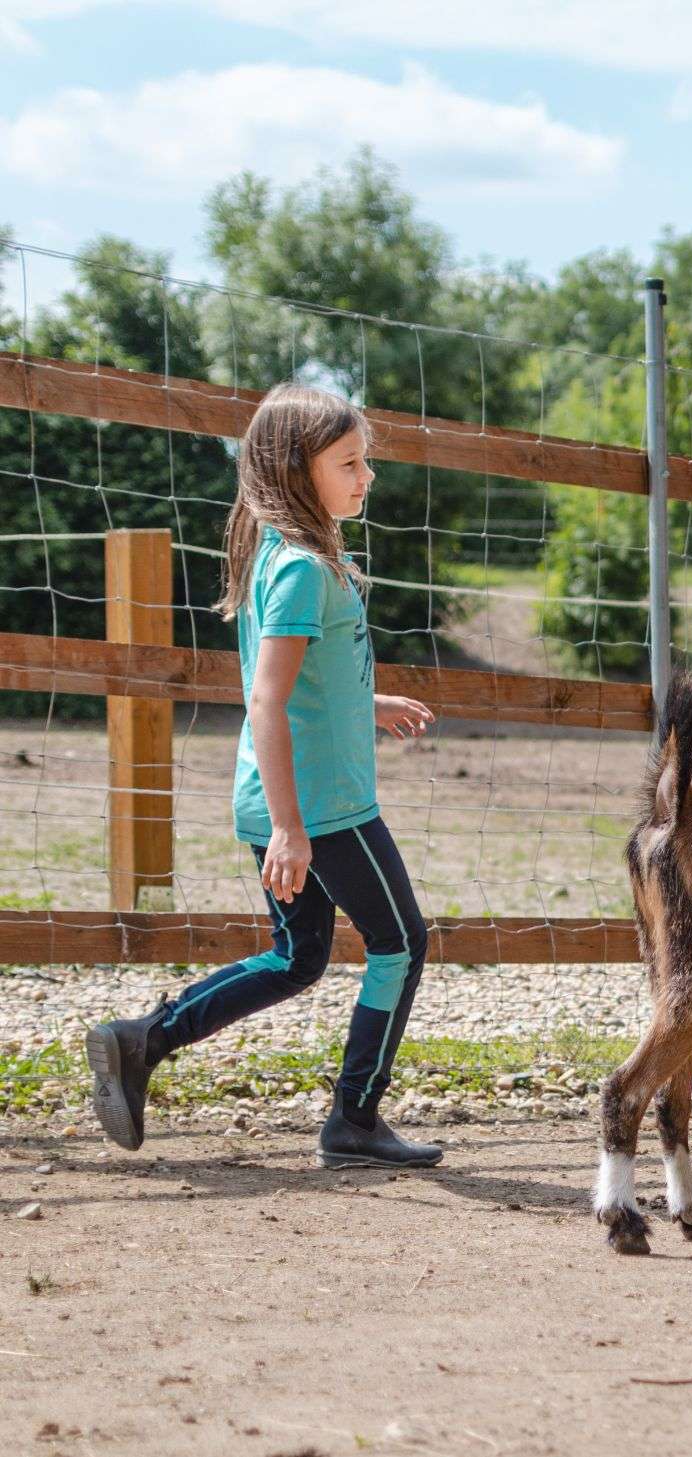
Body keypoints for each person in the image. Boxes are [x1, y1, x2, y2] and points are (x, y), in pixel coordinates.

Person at [84, 384, 444, 1170]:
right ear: (293, 469)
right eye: (349, 463)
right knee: (402, 943)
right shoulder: (304, 568)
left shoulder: (293, 555)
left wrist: (366, 702)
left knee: (298, 956)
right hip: (324, 807)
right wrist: (291, 827)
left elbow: (300, 683)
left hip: (294, 798)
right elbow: (268, 699)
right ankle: (355, 1116)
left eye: (365, 461)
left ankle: (143, 1039)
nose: (366, 478)